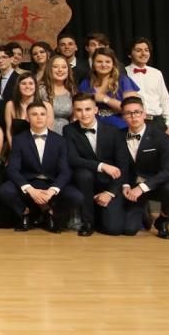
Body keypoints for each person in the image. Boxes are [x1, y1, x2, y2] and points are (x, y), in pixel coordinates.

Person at [1, 101, 82, 232]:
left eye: (42, 114)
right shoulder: (19, 139)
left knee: (76, 196)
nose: (39, 117)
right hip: (29, 181)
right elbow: (13, 169)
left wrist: (52, 190)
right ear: (27, 118)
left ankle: (51, 214)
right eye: (34, 114)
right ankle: (25, 213)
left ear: (48, 117)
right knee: (6, 190)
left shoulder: (60, 141)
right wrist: (30, 190)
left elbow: (65, 171)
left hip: (51, 182)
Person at [121, 96, 169, 235]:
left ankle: (163, 220)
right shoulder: (118, 136)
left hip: (154, 185)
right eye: (128, 113)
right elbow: (118, 165)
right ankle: (143, 210)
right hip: (131, 189)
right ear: (123, 117)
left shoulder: (161, 137)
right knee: (128, 230)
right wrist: (126, 185)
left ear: (144, 114)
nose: (133, 116)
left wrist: (142, 188)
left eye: (137, 112)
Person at [64, 93, 130, 237]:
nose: (84, 114)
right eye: (79, 110)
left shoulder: (113, 131)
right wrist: (101, 165)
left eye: (88, 109)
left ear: (95, 110)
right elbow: (73, 159)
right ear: (74, 111)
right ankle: (88, 222)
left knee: (114, 229)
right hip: (85, 181)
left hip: (109, 182)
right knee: (83, 174)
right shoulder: (69, 130)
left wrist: (110, 192)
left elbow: (122, 165)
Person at [78, 47, 139, 130]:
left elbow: (132, 109)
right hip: (92, 126)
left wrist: (105, 99)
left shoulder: (123, 80)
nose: (103, 65)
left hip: (119, 126)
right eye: (99, 61)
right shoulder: (86, 83)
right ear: (93, 64)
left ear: (113, 64)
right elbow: (78, 108)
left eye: (107, 62)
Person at [125, 37, 169, 138]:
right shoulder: (123, 73)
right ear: (130, 54)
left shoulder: (156, 73)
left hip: (157, 122)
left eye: (146, 50)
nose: (143, 53)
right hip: (133, 122)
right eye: (138, 50)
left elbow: (165, 100)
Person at [5, 73, 52, 147]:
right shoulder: (10, 105)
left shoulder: (46, 106)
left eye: (31, 83)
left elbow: (49, 131)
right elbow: (9, 131)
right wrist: (14, 150)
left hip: (39, 148)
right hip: (17, 148)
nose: (27, 86)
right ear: (18, 86)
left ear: (36, 86)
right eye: (23, 83)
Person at [39, 54, 75, 133]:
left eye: (64, 67)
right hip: (45, 134)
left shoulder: (71, 90)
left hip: (67, 135)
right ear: (49, 69)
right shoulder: (40, 90)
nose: (60, 70)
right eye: (55, 67)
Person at [0, 44, 20, 127]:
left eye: (4, 57)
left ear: (12, 59)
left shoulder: (20, 80)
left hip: (16, 125)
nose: (0, 60)